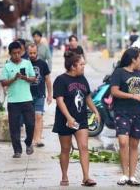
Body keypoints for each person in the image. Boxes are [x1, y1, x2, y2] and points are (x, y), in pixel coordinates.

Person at [52, 51, 100, 187]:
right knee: (65, 149)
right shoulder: (61, 80)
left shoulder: (83, 79)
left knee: (84, 147)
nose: (83, 67)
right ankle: (65, 176)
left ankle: (86, 177)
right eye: (81, 64)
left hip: (81, 119)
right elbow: (60, 101)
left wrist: (95, 111)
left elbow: (88, 97)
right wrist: (68, 117)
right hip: (64, 120)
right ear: (73, 66)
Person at [110, 48, 140, 186]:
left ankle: (132, 176)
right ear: (133, 59)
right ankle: (124, 174)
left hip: (138, 112)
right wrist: (132, 96)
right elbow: (114, 91)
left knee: (134, 145)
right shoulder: (119, 72)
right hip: (122, 112)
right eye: (139, 58)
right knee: (123, 142)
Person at [0, 41, 36, 158]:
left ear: (21, 52)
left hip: (27, 99)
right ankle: (17, 150)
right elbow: (4, 83)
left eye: (18, 53)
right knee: (14, 127)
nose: (17, 55)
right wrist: (14, 79)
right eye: (14, 53)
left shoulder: (27, 63)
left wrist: (25, 78)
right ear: (10, 54)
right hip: (13, 101)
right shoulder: (7, 66)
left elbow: (33, 78)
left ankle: (28, 142)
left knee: (30, 124)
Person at [28, 44, 53, 147]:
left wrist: (50, 94)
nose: (32, 55)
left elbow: (48, 79)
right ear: (27, 52)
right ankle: (33, 138)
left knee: (38, 116)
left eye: (34, 53)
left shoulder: (43, 64)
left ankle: (38, 139)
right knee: (31, 118)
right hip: (27, 95)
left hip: (40, 95)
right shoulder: (25, 64)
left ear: (37, 52)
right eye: (30, 53)